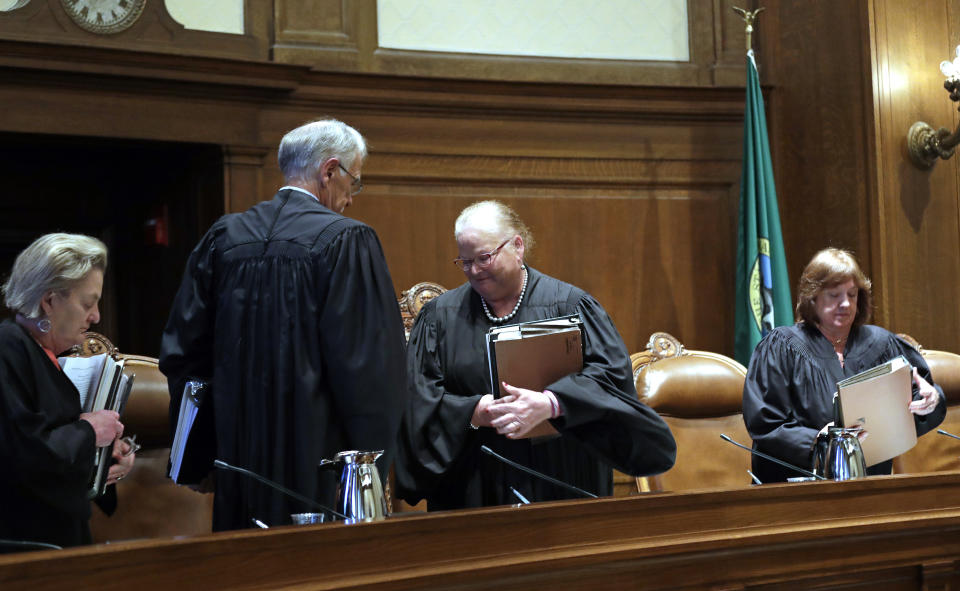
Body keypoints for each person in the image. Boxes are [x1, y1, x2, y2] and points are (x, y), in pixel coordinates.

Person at [159, 119, 407, 531]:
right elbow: (369, 372)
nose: (351, 199)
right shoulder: (347, 240)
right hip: (321, 465)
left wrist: (200, 457)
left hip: (237, 461)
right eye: (354, 183)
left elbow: (184, 355)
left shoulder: (225, 236)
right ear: (330, 171)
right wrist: (370, 475)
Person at [394, 200, 676, 510]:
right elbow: (417, 400)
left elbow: (611, 379)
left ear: (517, 246)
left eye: (484, 258)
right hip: (473, 483)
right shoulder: (439, 318)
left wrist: (552, 403)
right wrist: (473, 412)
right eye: (464, 261)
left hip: (562, 477)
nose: (473, 271)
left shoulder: (570, 306)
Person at [742, 247, 945, 483]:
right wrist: (820, 438)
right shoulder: (781, 348)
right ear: (812, 297)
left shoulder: (883, 345)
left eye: (852, 294)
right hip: (798, 491)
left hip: (869, 487)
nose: (846, 304)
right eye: (834, 295)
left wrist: (930, 400)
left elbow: (916, 400)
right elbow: (765, 423)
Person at [0, 233, 135, 549]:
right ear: (48, 301)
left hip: (53, 537)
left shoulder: (42, 354)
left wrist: (106, 461)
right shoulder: (8, 347)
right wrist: (90, 431)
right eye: (88, 303)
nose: (96, 316)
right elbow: (24, 455)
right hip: (25, 547)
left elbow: (58, 447)